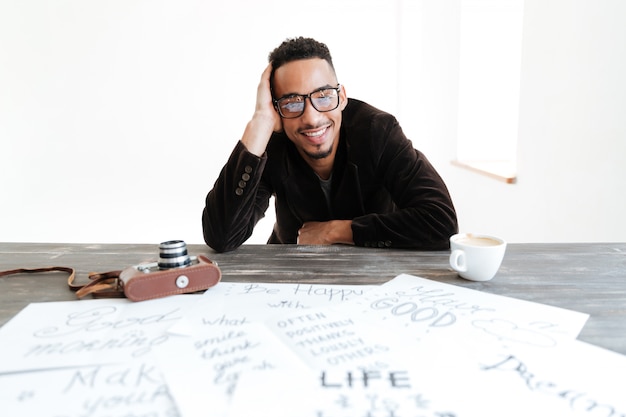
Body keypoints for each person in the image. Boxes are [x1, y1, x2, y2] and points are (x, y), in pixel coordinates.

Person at [202, 37, 457, 253]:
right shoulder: (272, 144)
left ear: (342, 97)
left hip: (373, 272)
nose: (312, 118)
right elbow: (221, 237)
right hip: (291, 274)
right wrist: (258, 125)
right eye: (292, 102)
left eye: (323, 97)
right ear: (276, 110)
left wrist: (339, 230)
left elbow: (440, 223)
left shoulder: (378, 131)